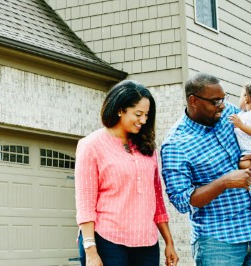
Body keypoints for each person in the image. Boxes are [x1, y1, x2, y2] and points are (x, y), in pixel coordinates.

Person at [161, 73, 251, 266]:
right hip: (218, 244)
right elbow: (181, 200)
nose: (222, 105)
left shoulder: (230, 114)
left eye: (223, 98)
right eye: (215, 101)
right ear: (194, 101)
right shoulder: (175, 144)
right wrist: (224, 182)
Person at [75, 80, 178, 266]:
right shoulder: (91, 145)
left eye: (146, 115)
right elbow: (85, 203)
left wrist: (169, 242)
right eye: (138, 114)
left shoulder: (147, 147)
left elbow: (157, 199)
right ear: (120, 110)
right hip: (107, 240)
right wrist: (90, 250)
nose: (143, 120)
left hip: (147, 243)